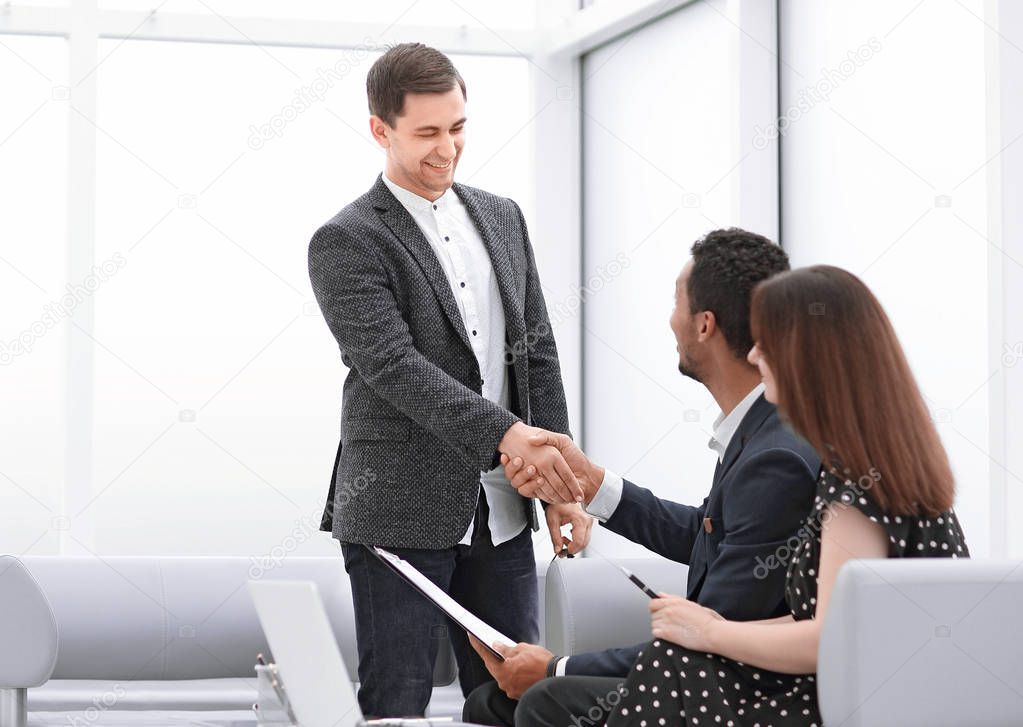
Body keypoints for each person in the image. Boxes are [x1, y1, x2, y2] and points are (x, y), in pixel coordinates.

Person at [307, 43, 583, 718]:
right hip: (397, 510)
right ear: (381, 129)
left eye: (457, 128)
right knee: (398, 702)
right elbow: (393, 367)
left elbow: (535, 354)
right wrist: (512, 436)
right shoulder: (346, 240)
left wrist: (562, 485)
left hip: (506, 511)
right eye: (427, 133)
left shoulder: (502, 216)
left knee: (520, 698)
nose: (447, 148)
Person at [462, 229, 821, 726]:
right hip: (716, 672)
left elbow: (712, 637)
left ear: (704, 325)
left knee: (540, 700)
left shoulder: (776, 456)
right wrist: (589, 484)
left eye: (676, 302)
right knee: (489, 702)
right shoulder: (759, 431)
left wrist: (555, 667)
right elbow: (709, 535)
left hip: (739, 691)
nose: (668, 319)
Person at [600, 265, 969, 726]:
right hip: (876, 693)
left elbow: (829, 638)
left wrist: (711, 632)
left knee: (669, 671)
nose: (755, 354)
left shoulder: (856, 484)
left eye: (766, 341)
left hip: (867, 704)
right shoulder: (882, 465)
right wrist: (704, 632)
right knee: (673, 664)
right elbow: (829, 623)